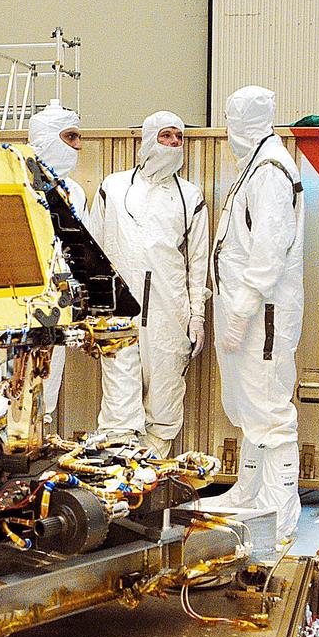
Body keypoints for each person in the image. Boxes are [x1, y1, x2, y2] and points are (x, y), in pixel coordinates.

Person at [206, 85, 304, 540]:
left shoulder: (271, 171)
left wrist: (243, 308)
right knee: (247, 403)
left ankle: (279, 508)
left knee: (268, 406)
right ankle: (249, 490)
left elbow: (269, 249)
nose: (227, 132)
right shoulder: (255, 166)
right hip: (244, 310)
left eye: (231, 121)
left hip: (261, 314)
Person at [88, 111, 209, 457]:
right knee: (119, 403)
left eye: (178, 137)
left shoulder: (190, 197)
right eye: (165, 135)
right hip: (119, 314)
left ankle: (152, 477)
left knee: (165, 398)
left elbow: (197, 262)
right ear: (148, 138)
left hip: (169, 315)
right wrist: (91, 309)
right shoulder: (114, 187)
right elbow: (92, 249)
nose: (172, 143)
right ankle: (117, 478)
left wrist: (196, 316)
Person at [28, 99, 87, 425]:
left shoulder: (74, 192)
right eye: (70, 138)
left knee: (49, 385)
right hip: (23, 306)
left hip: (61, 304)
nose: (78, 147)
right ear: (48, 138)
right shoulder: (17, 183)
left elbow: (83, 250)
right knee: (17, 389)